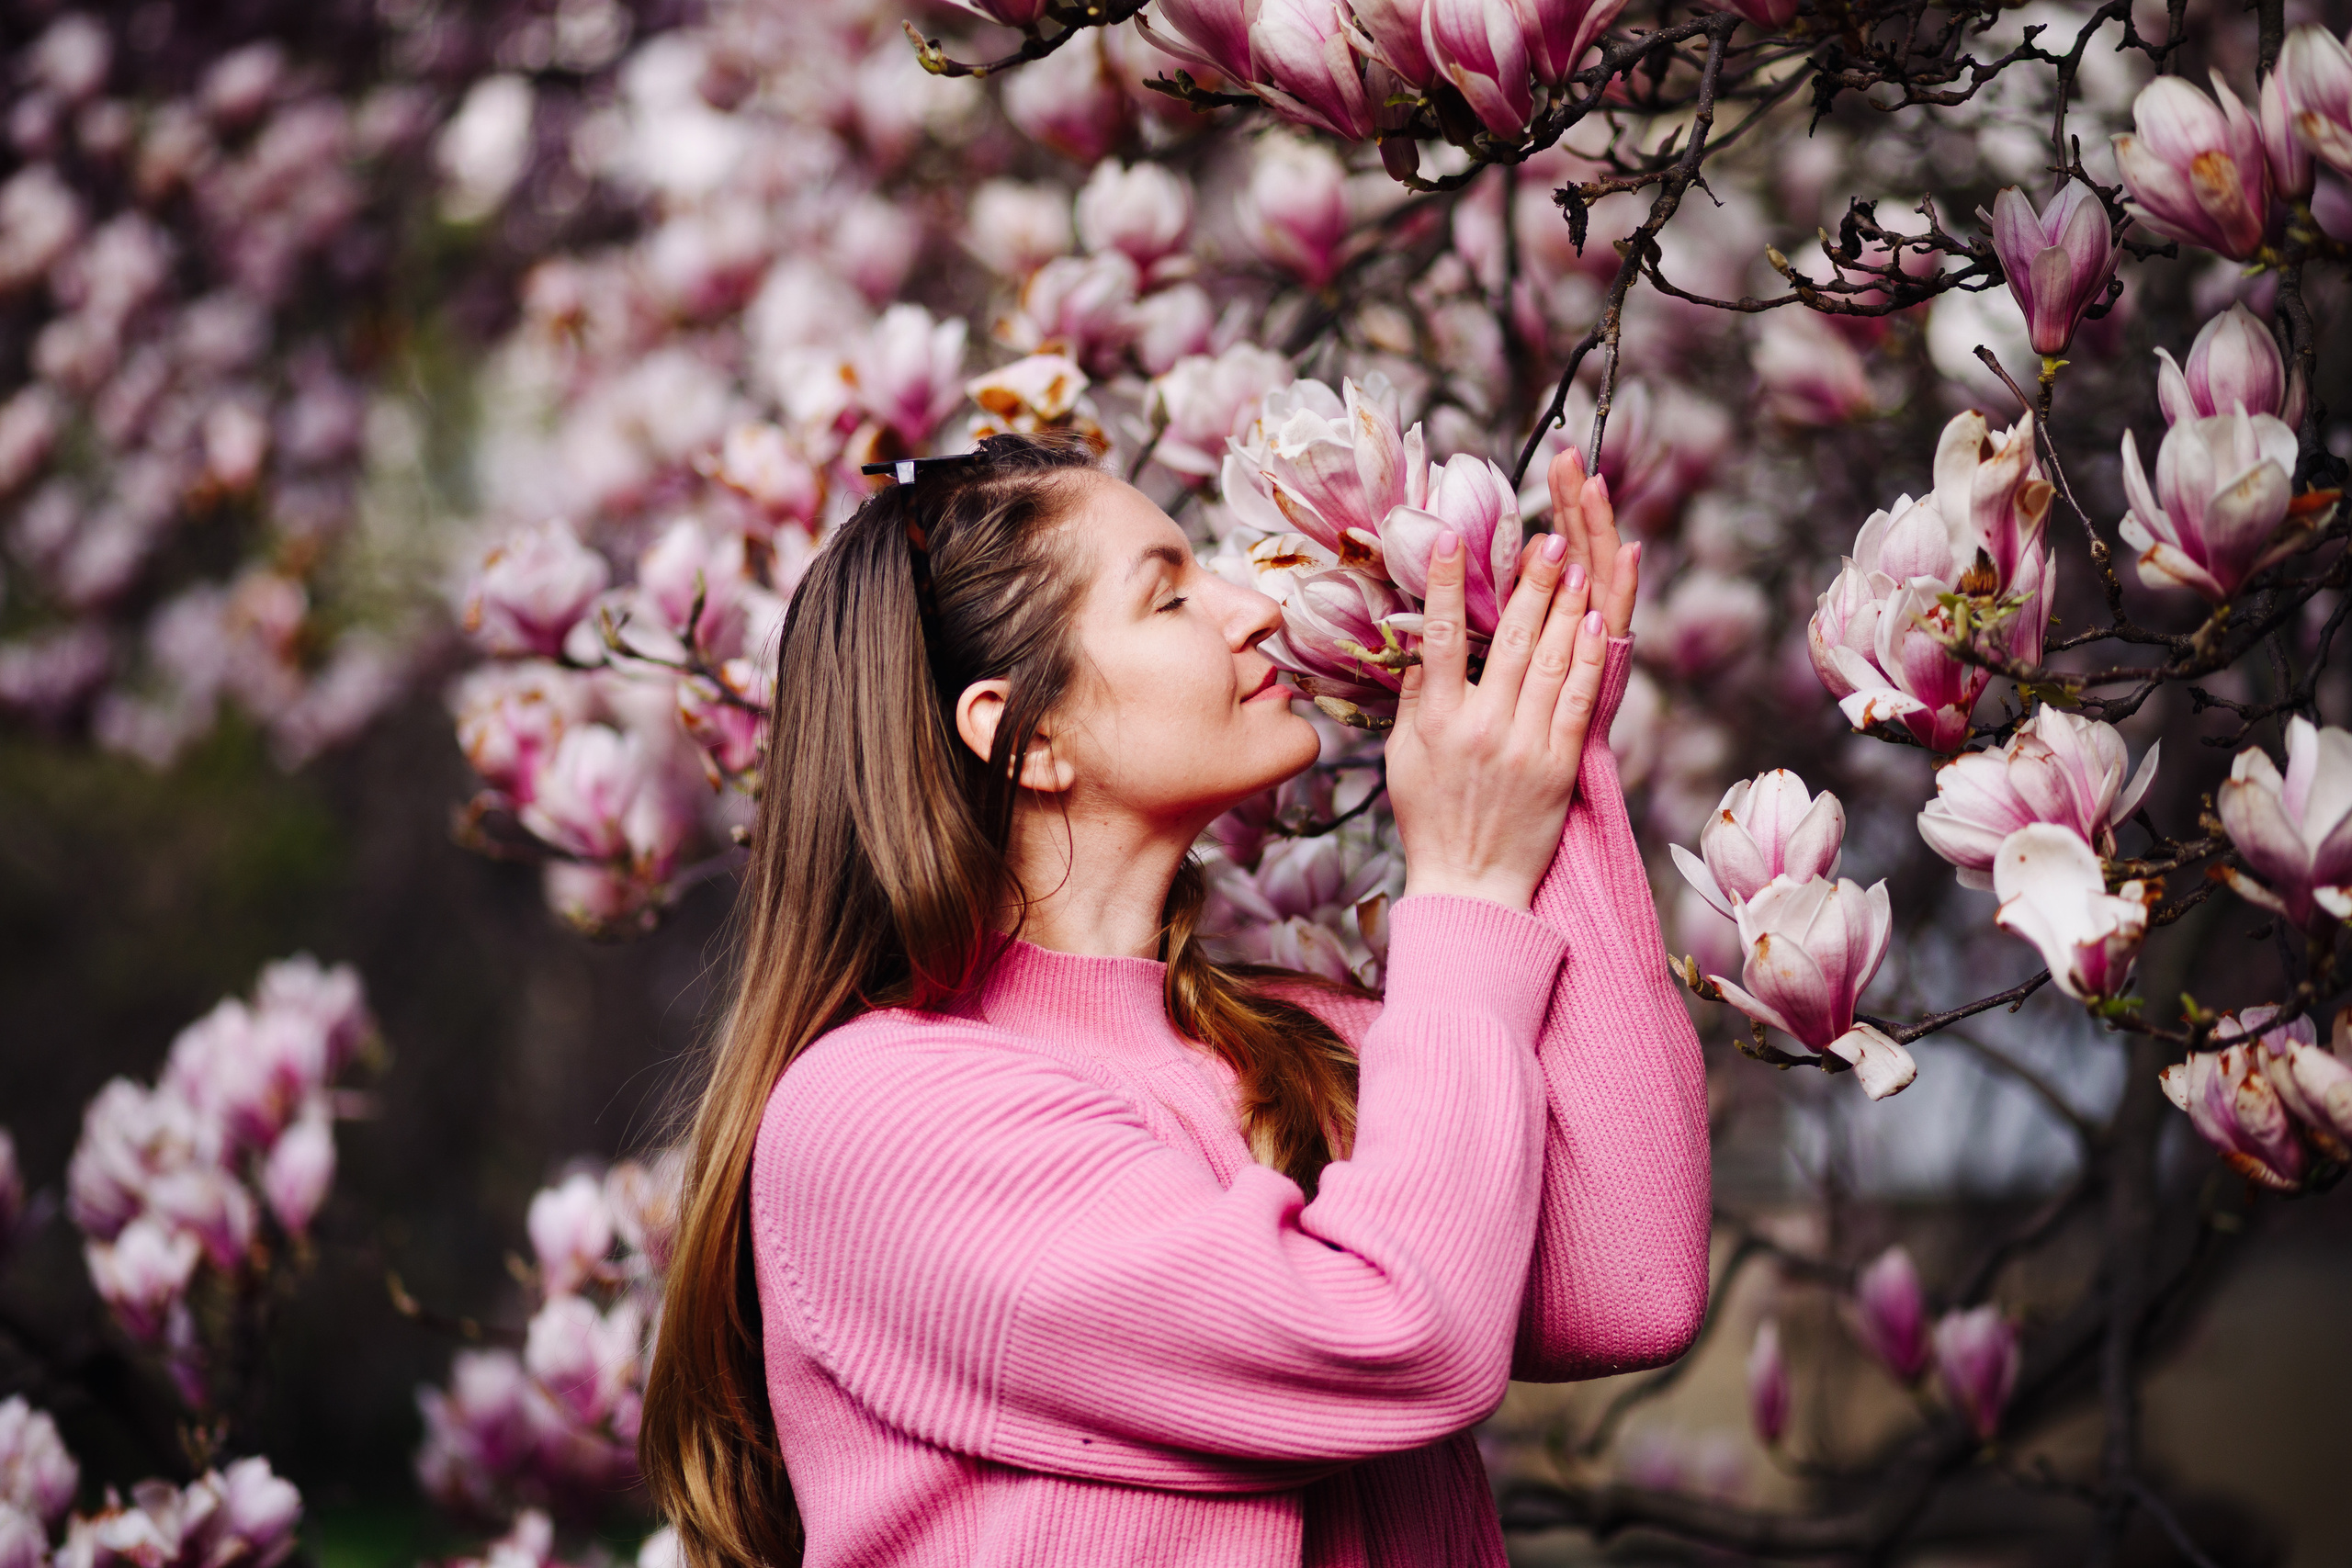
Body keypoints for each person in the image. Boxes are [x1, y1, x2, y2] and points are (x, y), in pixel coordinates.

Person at [639, 432, 1711, 1567]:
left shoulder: (1293, 1047)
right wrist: (1464, 884)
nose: (1251, 608)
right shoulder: (879, 1119)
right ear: (1025, 735)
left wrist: (1552, 739)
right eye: (1169, 597)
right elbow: (1397, 1336)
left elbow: (1625, 1284)